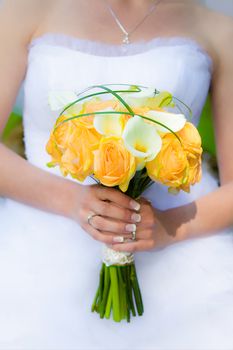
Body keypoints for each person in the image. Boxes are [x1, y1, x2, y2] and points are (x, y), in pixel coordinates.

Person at [0, 0, 233, 349]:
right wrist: (73, 200)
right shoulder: (23, 10)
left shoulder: (216, 27)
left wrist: (168, 227)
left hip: (183, 263)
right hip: (40, 256)